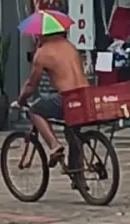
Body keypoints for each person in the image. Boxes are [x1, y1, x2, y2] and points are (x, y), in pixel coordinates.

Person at [13, 30, 90, 167]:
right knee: (72, 131)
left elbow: (31, 85)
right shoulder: (70, 46)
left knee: (34, 110)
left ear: (40, 35)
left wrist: (20, 101)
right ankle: (78, 173)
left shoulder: (43, 53)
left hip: (67, 98)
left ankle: (54, 145)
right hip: (85, 96)